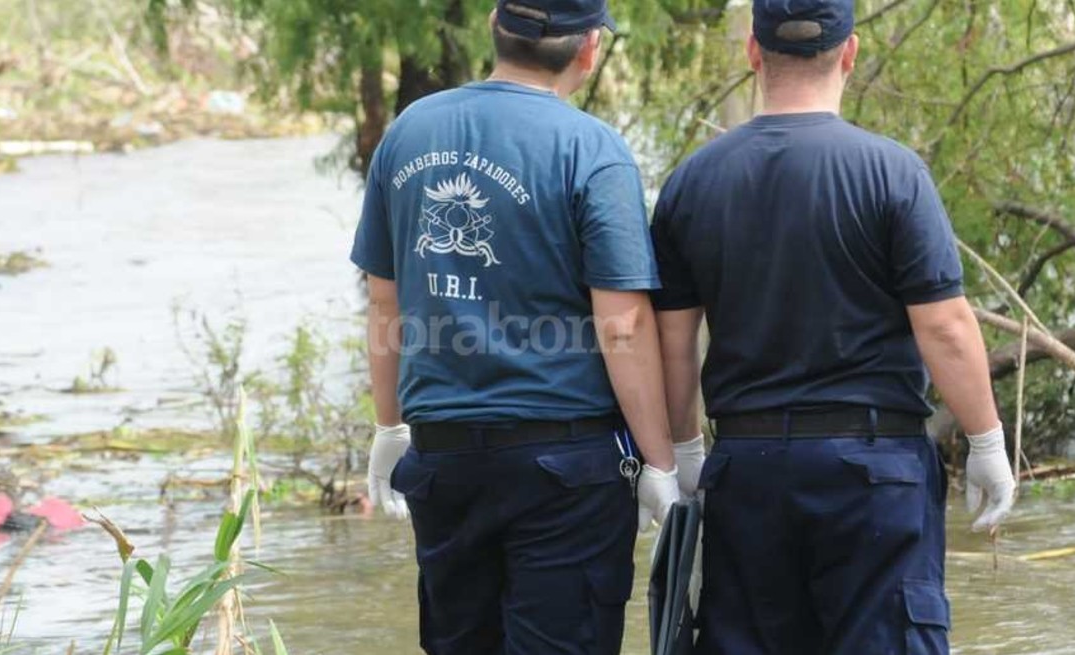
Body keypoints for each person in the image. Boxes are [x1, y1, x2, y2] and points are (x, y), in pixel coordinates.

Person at [650, 1, 1018, 653]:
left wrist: (680, 453)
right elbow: (946, 328)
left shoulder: (692, 182)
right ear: (849, 54)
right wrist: (988, 441)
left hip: (747, 471)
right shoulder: (893, 173)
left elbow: (672, 343)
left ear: (753, 54)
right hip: (874, 475)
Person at [350, 1, 685, 653]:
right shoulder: (591, 149)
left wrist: (389, 425)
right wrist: (660, 460)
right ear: (589, 48)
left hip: (444, 456)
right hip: (566, 467)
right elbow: (622, 326)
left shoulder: (410, 131)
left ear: (493, 30)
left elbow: (383, 304)